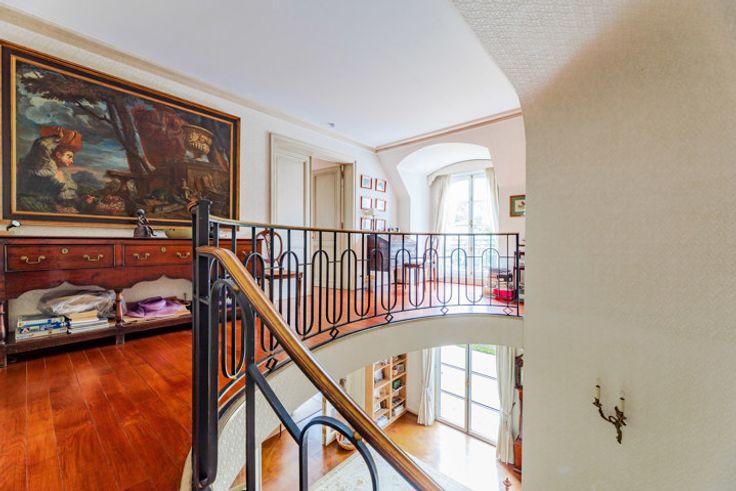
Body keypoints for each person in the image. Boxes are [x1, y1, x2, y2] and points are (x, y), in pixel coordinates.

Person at [18, 126, 83, 211]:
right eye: (69, 156)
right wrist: (57, 138)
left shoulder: (66, 174)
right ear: (58, 155)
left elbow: (70, 196)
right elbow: (42, 145)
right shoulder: (44, 168)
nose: (72, 161)